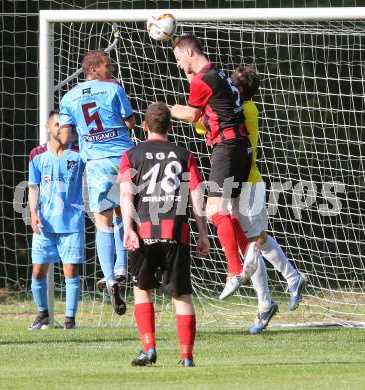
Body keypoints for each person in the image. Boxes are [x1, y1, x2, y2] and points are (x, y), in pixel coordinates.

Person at [118, 102, 210, 366]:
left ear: (145, 126)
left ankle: (149, 348)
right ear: (170, 126)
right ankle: (186, 356)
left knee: (142, 289)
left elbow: (126, 194)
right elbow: (196, 195)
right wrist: (202, 233)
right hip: (176, 232)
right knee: (181, 295)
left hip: (143, 231)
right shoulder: (184, 154)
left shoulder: (131, 155)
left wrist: (127, 229)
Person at [170, 34, 260, 300]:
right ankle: (249, 251)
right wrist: (187, 71)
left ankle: (234, 271)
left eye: (178, 58)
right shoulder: (217, 73)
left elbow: (192, 113)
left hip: (227, 148)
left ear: (188, 51)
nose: (177, 64)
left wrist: (166, 110)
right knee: (225, 211)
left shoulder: (203, 80)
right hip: (241, 148)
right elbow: (198, 93)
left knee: (213, 210)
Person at [59, 50, 136, 315]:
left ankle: (111, 278)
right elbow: (131, 121)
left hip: (97, 163)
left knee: (102, 222)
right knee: (123, 213)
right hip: (124, 158)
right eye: (107, 65)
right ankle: (122, 268)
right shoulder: (114, 89)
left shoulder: (68, 98)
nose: (110, 69)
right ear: (93, 68)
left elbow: (65, 135)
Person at [231, 65, 306, 312]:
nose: (228, 85)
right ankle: (269, 298)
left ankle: (286, 283)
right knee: (252, 241)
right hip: (233, 181)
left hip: (249, 182)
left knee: (255, 240)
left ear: (240, 89)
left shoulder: (246, 108)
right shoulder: (236, 106)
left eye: (233, 82)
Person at [28, 110, 85, 330]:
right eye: (58, 125)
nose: (63, 128)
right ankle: (42, 314)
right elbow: (33, 187)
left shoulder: (79, 154)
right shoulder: (37, 155)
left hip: (71, 223)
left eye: (66, 125)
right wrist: (33, 213)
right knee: (38, 271)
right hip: (45, 224)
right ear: (49, 128)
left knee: (70, 270)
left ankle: (70, 320)